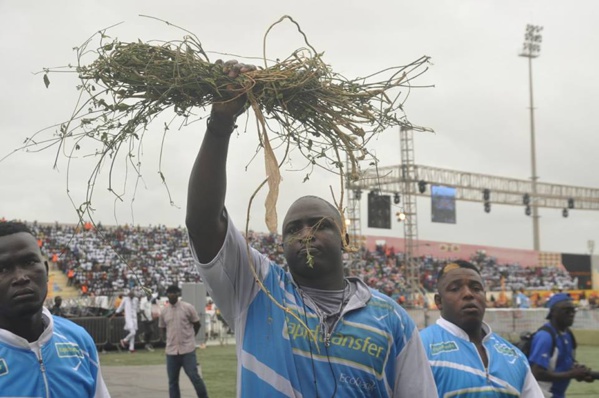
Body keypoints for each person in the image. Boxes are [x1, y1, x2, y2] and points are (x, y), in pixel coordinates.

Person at [185, 60, 437, 397]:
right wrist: (220, 123)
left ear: (345, 238)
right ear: (282, 243)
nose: (305, 234)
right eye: (293, 229)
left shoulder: (392, 319)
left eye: (320, 225)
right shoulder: (258, 289)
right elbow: (202, 222)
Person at [0, 221, 110, 397]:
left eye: (29, 262)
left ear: (45, 270)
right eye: (3, 268)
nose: (20, 277)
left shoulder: (78, 340)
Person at [420, 260, 543, 397]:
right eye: (455, 288)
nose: (468, 294)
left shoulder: (515, 356)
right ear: (439, 301)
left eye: (476, 288)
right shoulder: (420, 348)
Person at [528, 292, 597, 397]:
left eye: (573, 310)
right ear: (553, 312)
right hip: (542, 394)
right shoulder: (545, 337)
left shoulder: (568, 334)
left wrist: (578, 370)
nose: (571, 314)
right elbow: (537, 373)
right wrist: (571, 374)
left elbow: (564, 362)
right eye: (566, 311)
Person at [158, 284, 208, 398]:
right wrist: (166, 340)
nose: (172, 295)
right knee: (172, 382)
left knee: (194, 377)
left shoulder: (187, 307)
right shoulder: (164, 311)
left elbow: (197, 324)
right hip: (171, 352)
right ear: (167, 295)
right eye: (169, 293)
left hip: (187, 350)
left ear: (178, 294)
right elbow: (161, 327)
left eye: (174, 292)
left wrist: (190, 337)